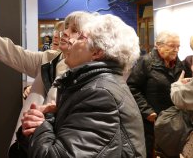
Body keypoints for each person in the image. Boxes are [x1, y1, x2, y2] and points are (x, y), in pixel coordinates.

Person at [0, 1, 95, 149]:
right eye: (67, 27)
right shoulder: (48, 59)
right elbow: (8, 50)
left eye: (74, 30)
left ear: (88, 41)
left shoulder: (92, 79)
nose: (65, 33)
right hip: (28, 145)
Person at [19, 13, 146, 157]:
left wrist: (40, 125)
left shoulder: (100, 94)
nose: (71, 41)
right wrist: (51, 117)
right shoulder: (97, 86)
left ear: (97, 52)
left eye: (80, 37)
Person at [127, 31, 190, 158]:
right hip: (153, 122)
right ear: (158, 45)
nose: (176, 50)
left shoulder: (180, 65)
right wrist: (147, 111)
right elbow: (132, 87)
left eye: (178, 46)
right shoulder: (145, 62)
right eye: (172, 46)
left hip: (175, 122)